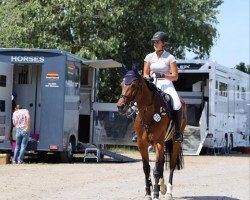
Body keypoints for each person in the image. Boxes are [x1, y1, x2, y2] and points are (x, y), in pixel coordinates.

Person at [143, 31, 183, 143]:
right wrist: (147, 78)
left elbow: (175, 76)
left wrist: (163, 75)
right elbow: (145, 73)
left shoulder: (170, 57)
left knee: (177, 103)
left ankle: (178, 132)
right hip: (152, 83)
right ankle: (137, 130)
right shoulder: (149, 57)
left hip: (166, 83)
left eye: (157, 41)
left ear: (163, 43)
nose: (154, 43)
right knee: (137, 103)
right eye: (154, 42)